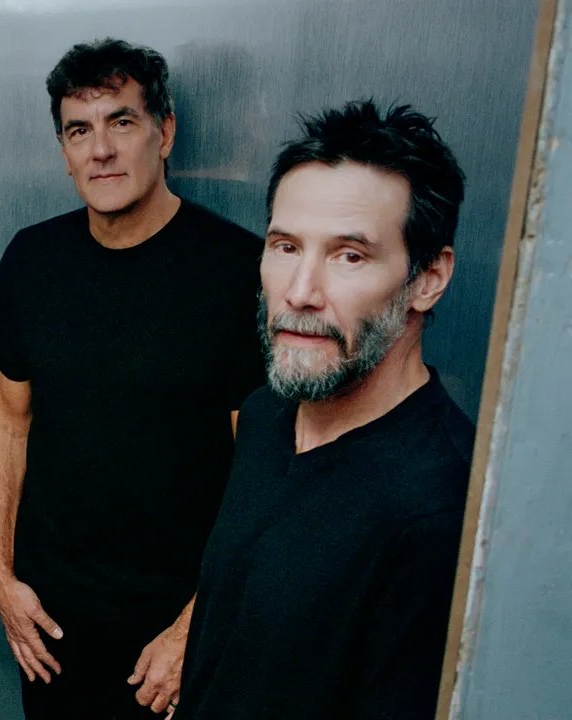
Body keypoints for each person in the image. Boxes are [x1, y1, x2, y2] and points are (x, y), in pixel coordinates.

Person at [0, 38, 264, 718]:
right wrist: (1, 576)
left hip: (176, 629)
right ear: (64, 149)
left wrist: (196, 626)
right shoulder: (33, 258)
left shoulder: (237, 270)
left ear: (165, 132)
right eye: (79, 130)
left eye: (122, 122)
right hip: (52, 626)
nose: (100, 150)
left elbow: (264, 467)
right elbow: (7, 421)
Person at [175, 100, 472, 719]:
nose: (300, 292)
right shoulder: (266, 414)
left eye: (349, 255)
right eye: (286, 246)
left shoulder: (439, 510)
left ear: (428, 278)